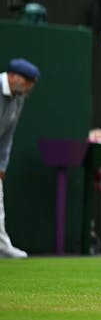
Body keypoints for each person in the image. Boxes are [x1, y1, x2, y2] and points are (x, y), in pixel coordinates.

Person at [0, 59, 40, 258]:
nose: (30, 87)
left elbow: (8, 134)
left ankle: (2, 248)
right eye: (28, 82)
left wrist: (2, 164)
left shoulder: (19, 98)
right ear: (14, 76)